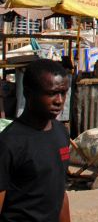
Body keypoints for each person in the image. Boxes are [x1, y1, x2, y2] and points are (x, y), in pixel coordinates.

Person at [0, 59, 71, 222]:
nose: (59, 100)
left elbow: (60, 194)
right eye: (52, 93)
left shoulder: (61, 133)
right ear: (28, 93)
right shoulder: (9, 143)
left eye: (63, 93)